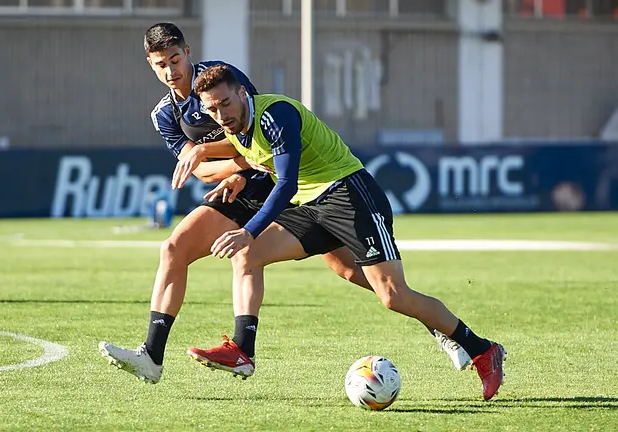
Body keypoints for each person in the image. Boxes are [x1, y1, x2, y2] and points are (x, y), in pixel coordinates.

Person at [95, 23, 472, 385]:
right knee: (174, 248)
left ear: (187, 52)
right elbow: (201, 171)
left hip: (283, 187)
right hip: (236, 190)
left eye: (175, 60)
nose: (170, 70)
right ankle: (153, 355)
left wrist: (229, 161)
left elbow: (255, 129)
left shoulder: (220, 78)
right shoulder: (164, 114)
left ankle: (440, 327)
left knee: (357, 273)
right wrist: (235, 166)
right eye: (161, 65)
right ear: (150, 65)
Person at [180, 64, 505, 401]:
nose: (220, 114)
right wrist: (211, 157)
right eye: (211, 108)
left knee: (393, 295)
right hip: (311, 206)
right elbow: (253, 162)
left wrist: (249, 229)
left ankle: (483, 350)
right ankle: (241, 350)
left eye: (224, 103)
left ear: (242, 93)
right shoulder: (235, 126)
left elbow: (286, 182)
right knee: (252, 255)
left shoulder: (274, 115)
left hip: (349, 197)